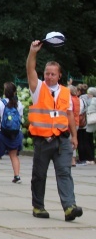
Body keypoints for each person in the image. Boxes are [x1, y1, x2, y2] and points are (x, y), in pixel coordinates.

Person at [27, 41, 82, 221]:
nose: (49, 76)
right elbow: (30, 69)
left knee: (64, 172)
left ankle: (69, 207)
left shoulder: (65, 92)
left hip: (62, 140)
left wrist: (74, 136)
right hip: (43, 140)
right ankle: (38, 207)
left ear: (59, 75)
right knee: (39, 175)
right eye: (47, 73)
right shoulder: (38, 88)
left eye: (53, 74)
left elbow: (70, 116)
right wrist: (32, 53)